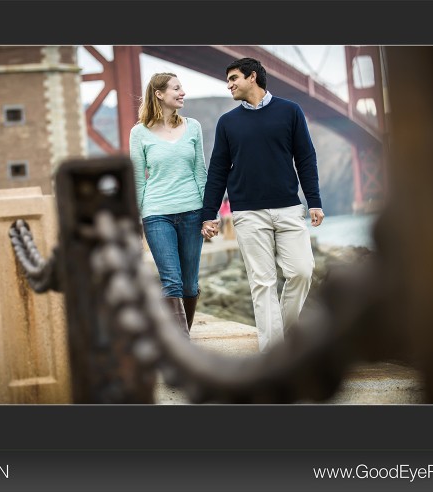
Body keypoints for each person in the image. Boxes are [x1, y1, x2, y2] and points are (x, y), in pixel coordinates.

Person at [200, 58, 325, 352]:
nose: (229, 84)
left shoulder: (290, 111)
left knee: (302, 271)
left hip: (288, 208)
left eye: (233, 78)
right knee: (263, 283)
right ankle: (275, 352)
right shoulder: (227, 122)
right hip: (247, 213)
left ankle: (288, 338)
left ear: (252, 77)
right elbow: (218, 170)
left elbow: (305, 158)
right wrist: (210, 214)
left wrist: (314, 201)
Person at [129, 72, 207, 336]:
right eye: (176, 88)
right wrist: (135, 221)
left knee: (189, 284)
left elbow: (200, 173)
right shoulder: (138, 133)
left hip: (192, 212)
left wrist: (209, 215)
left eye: (182, 87)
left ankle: (184, 341)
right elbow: (138, 179)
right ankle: (182, 348)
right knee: (171, 282)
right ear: (159, 94)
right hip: (157, 214)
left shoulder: (193, 126)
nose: (182, 92)